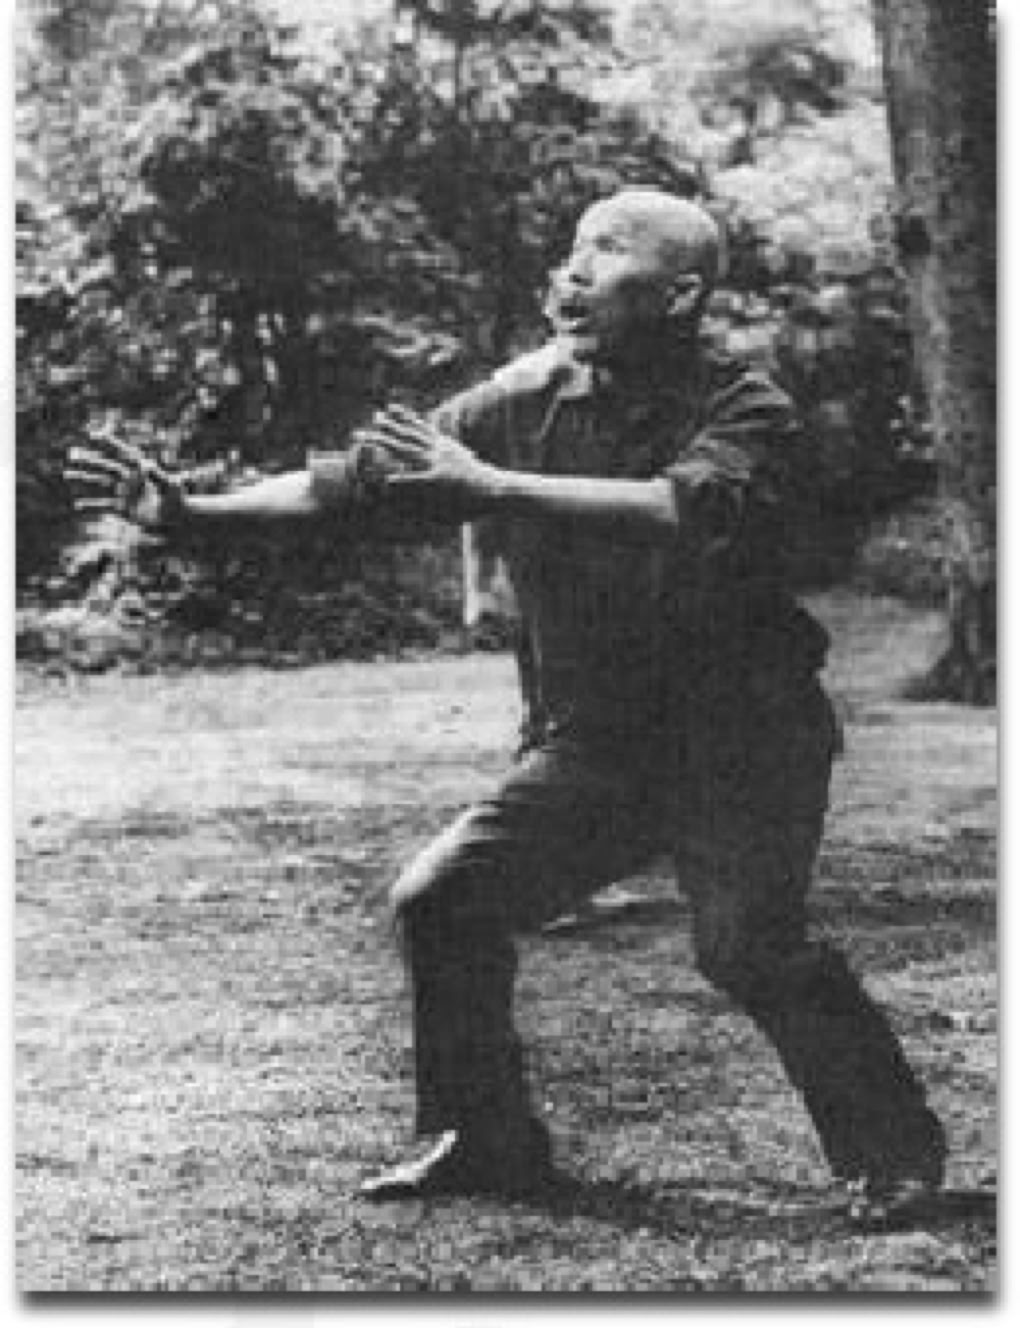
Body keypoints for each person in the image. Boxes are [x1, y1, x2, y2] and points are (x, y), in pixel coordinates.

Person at [68, 188, 946, 1229]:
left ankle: (893, 1156)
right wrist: (191, 512)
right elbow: (353, 484)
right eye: (571, 249)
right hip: (600, 742)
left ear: (680, 295)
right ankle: (484, 1136)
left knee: (749, 947)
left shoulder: (745, 405)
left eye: (606, 251)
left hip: (743, 739)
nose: (572, 272)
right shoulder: (518, 398)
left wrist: (490, 486)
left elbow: (681, 506)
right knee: (445, 899)